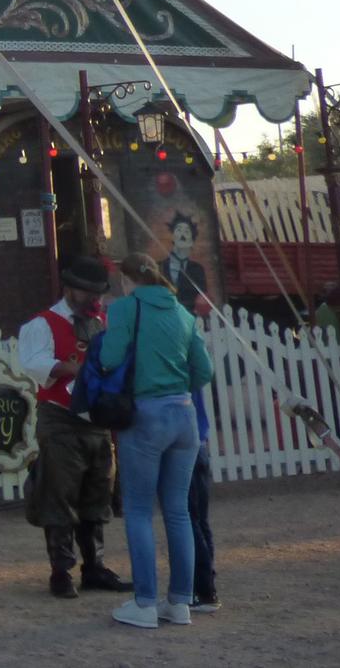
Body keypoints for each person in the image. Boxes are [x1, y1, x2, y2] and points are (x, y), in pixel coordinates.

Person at [99, 252, 214, 629]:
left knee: (137, 510)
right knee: (178, 512)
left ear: (128, 281)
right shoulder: (183, 314)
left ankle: (145, 603)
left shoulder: (124, 310)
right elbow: (204, 371)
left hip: (146, 416)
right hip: (184, 416)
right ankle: (180, 602)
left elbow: (111, 358)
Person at [17, 255, 130, 598]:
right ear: (69, 289)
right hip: (62, 418)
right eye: (87, 293)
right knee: (59, 494)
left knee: (97, 494)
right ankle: (61, 571)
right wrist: (70, 369)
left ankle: (94, 567)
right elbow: (32, 363)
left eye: (97, 293)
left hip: (97, 419)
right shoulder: (42, 324)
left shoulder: (103, 320)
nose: (94, 299)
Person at [189, 387, 219, 611]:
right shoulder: (193, 353)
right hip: (199, 439)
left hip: (183, 441)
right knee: (201, 519)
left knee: (189, 519)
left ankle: (202, 589)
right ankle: (208, 584)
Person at [162, 214, 212, 313]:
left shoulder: (197, 269)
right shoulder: (158, 267)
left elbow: (202, 299)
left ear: (192, 241)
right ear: (172, 236)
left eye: (187, 232)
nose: (182, 235)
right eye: (179, 230)